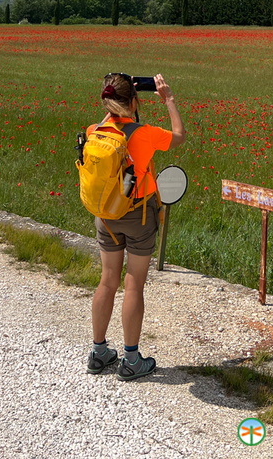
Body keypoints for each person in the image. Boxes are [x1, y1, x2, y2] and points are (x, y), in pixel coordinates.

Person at [87, 72, 185, 381]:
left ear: (107, 102)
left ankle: (99, 352)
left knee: (107, 281)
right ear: (134, 101)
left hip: (106, 214)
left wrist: (117, 104)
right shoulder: (144, 134)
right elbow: (179, 135)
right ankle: (131, 359)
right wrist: (168, 99)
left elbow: (112, 119)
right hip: (138, 215)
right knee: (133, 284)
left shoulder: (94, 131)